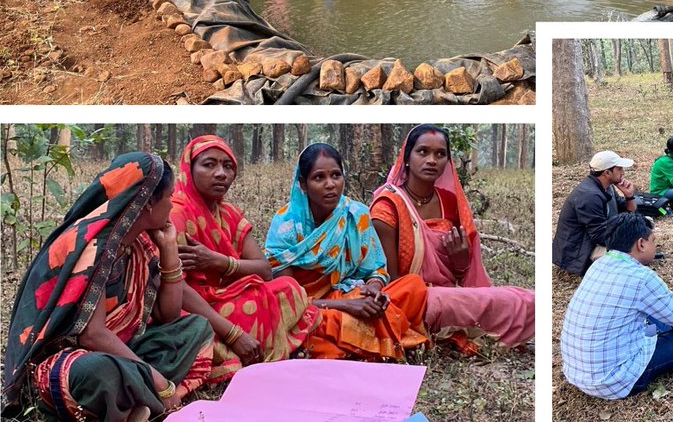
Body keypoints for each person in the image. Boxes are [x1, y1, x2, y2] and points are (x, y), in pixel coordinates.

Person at [3, 153, 214, 420]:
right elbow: (92, 336)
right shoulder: (92, 247)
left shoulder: (140, 244)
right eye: (170, 196)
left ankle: (136, 399)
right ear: (148, 202)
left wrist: (169, 249)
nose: (172, 205)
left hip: (125, 350)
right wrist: (157, 378)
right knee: (99, 372)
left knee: (196, 329)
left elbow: (168, 315)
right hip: (73, 359)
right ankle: (143, 396)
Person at [370, 125, 535, 350]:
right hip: (415, 300)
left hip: (452, 292)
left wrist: (460, 261)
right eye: (423, 152)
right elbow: (392, 282)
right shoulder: (388, 206)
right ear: (407, 157)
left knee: (528, 300)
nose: (432, 160)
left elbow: (464, 273)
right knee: (493, 304)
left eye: (440, 154)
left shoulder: (449, 201)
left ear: (448, 161)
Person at [170, 135, 319, 383]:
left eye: (228, 167)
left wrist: (216, 261)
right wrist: (233, 333)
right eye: (209, 165)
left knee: (288, 289)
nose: (221, 174)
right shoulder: (177, 213)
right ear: (189, 168)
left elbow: (264, 270)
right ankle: (246, 350)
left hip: (228, 298)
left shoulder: (229, 213)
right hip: (195, 310)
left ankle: (250, 352)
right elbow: (179, 289)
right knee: (209, 325)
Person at [264, 143, 429, 360]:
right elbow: (287, 300)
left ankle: (358, 342)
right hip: (312, 309)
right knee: (301, 327)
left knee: (413, 286)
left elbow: (376, 270)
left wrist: (373, 290)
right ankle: (380, 339)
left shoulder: (355, 214)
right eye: (319, 178)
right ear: (303, 184)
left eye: (336, 175)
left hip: (353, 295)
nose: (330, 184)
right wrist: (348, 306)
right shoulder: (286, 225)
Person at [561, 213, 673, 400]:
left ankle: (659, 337)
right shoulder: (642, 278)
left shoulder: (599, 264)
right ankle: (672, 356)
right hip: (615, 380)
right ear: (641, 244)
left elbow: (624, 304)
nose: (655, 245)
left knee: (655, 321)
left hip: (578, 374)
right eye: (653, 241)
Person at [552, 150, 637, 276]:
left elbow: (626, 211)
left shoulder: (607, 187)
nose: (623, 172)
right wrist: (628, 240)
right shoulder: (589, 196)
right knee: (635, 253)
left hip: (594, 240)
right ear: (607, 173)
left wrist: (629, 196)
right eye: (619, 168)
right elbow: (599, 235)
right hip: (580, 251)